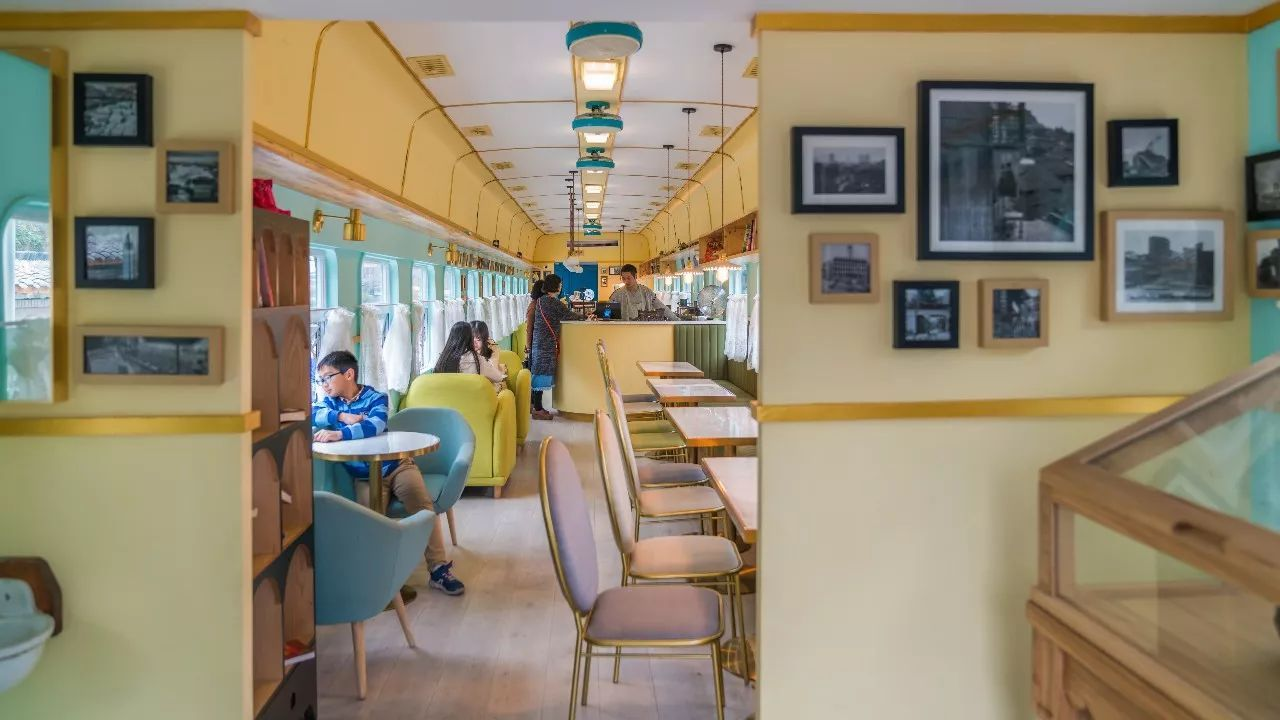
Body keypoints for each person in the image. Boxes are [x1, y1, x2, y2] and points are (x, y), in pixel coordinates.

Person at [312, 350, 465, 596]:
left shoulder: (376, 397)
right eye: (320, 380)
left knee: (423, 506)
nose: (324, 384)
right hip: (364, 476)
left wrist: (340, 433)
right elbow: (312, 413)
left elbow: (375, 425)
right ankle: (382, 577)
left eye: (328, 377)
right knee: (370, 522)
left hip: (396, 466)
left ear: (348, 374)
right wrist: (341, 416)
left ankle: (438, 569)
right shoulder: (330, 403)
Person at [529, 274, 583, 420]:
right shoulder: (553, 302)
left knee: (538, 375)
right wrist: (586, 316)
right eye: (560, 284)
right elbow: (570, 315)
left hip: (539, 343)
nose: (561, 286)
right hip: (546, 344)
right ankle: (538, 410)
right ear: (556, 286)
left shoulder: (541, 300)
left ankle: (537, 407)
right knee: (540, 376)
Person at [435, 322, 506, 392]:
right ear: (468, 338)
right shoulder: (476, 359)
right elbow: (498, 377)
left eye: (478, 339)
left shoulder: (442, 358)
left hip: (446, 398)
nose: (474, 341)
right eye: (472, 337)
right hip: (471, 397)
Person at [609, 264, 677, 321]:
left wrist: (677, 320)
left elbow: (662, 307)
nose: (626, 281)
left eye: (629, 278)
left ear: (635, 276)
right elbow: (608, 312)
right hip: (624, 329)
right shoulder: (617, 294)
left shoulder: (647, 292)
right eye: (623, 278)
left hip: (644, 328)